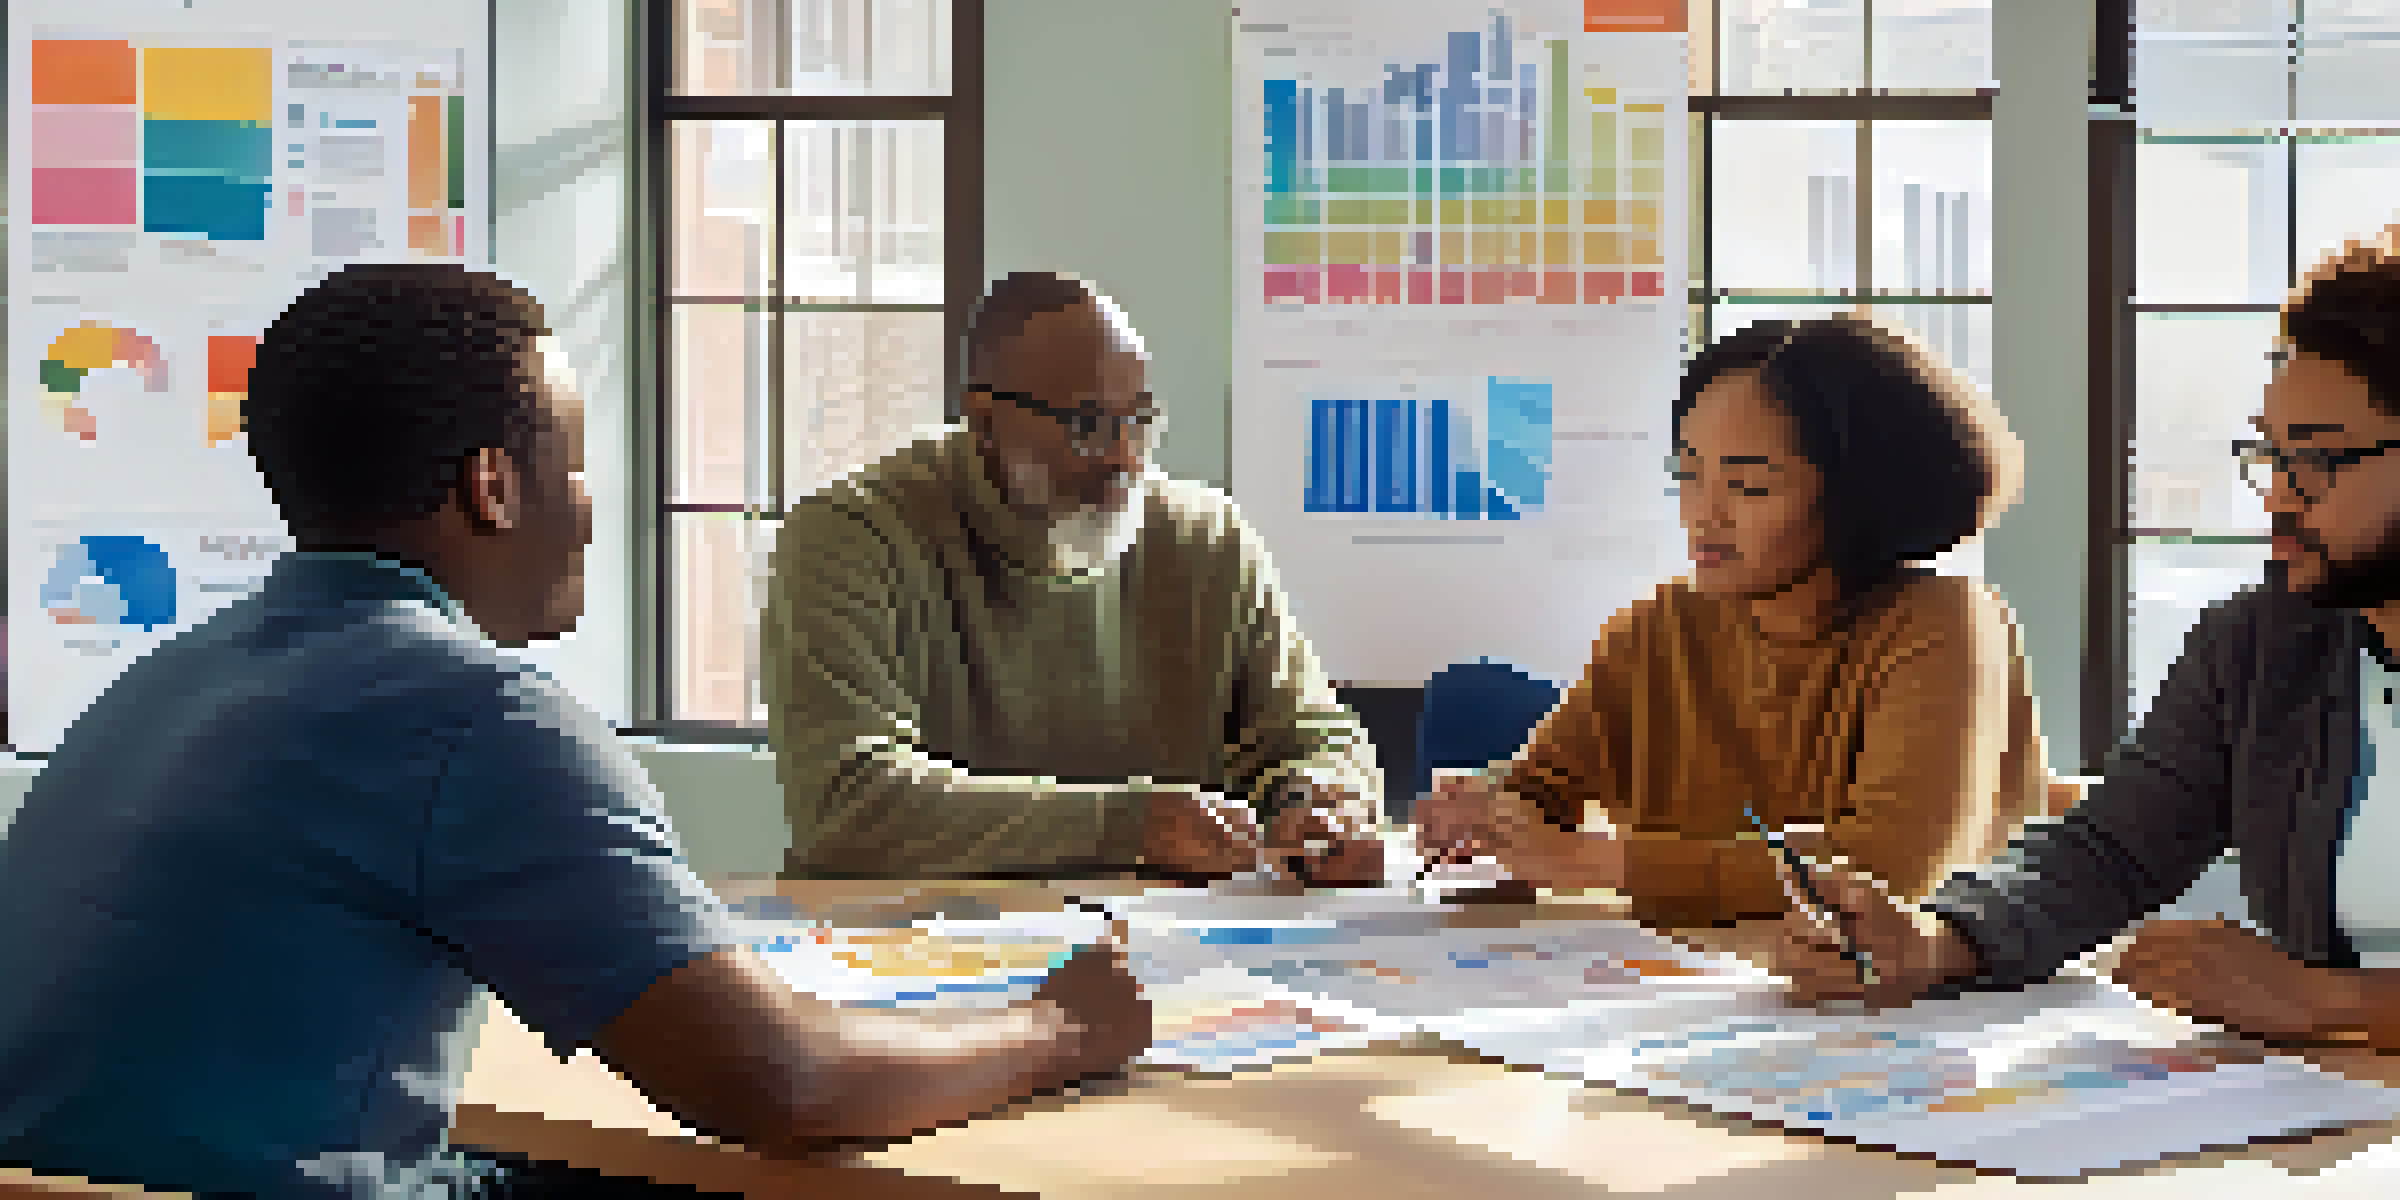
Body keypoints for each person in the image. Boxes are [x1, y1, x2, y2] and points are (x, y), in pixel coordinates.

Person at [0, 264, 1152, 1200]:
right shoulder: (478, 717)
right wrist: (1059, 1025)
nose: (593, 503)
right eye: (577, 458)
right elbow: (783, 1082)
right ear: (496, 487)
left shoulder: (170, 677)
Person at [1772, 229, 2400, 1050]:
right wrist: (1934, 941)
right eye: (2269, 453)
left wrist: (2332, 1002)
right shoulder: (2261, 645)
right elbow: (2108, 850)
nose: (2277, 494)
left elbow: (2316, 1000)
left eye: (2317, 459)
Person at [1415, 314, 2050, 928]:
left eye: (1748, 487)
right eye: (1687, 474)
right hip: (1700, 992)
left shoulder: (1943, 622)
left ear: (1859, 493)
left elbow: (1888, 871)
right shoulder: (1658, 627)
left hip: (1915, 1005)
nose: (1701, 515)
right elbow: (1542, 792)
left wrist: (1599, 860)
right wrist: (1484, 815)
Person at [763, 271, 1385, 885]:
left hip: (1174, 956)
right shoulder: (853, 536)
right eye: (1089, 426)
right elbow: (847, 803)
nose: (1126, 457)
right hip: (905, 954)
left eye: (1140, 420)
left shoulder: (1207, 539)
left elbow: (1311, 736)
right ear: (983, 419)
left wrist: (1317, 801)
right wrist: (1129, 826)